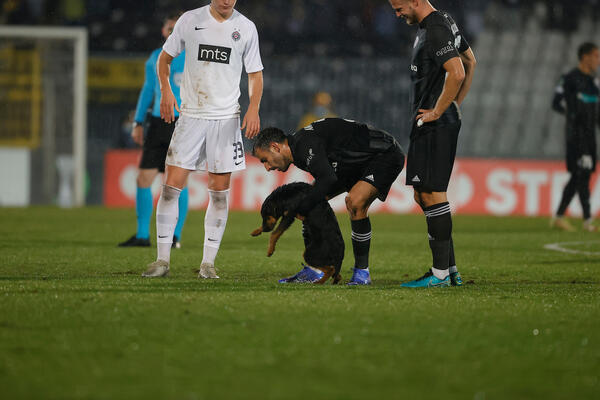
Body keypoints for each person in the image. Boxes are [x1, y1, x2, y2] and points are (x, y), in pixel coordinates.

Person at [142, 0, 264, 278]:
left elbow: (255, 74)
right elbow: (164, 58)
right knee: (170, 188)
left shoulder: (246, 27)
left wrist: (254, 107)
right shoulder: (190, 20)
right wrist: (165, 91)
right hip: (191, 116)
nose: (226, 1)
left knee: (219, 194)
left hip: (226, 120)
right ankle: (162, 261)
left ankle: (208, 264)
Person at [252, 118, 405, 285]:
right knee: (311, 202)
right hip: (352, 164)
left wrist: (303, 206)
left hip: (382, 154)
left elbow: (327, 178)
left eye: (265, 160)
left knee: (355, 202)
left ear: (275, 147)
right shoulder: (299, 149)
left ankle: (362, 273)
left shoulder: (304, 145)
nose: (267, 167)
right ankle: (315, 268)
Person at [389, 0, 476, 288]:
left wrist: (440, 110)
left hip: (433, 122)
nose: (397, 15)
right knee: (423, 194)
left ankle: (439, 275)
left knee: (433, 194)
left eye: (399, 8)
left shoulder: (436, 27)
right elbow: (470, 60)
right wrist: (454, 105)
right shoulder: (442, 21)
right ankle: (450, 270)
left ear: (415, 1)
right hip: (431, 121)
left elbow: (458, 71)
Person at [118, 13, 189, 248]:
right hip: (158, 123)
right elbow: (148, 90)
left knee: (177, 181)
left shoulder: (194, 57)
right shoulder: (155, 58)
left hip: (184, 123)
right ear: (163, 31)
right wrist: (138, 122)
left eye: (177, 29)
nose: (173, 33)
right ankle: (142, 236)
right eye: (170, 28)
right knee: (143, 178)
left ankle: (175, 237)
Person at [551, 42, 600, 232]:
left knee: (578, 176)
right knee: (582, 174)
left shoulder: (593, 82)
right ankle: (588, 220)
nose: (598, 60)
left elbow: (596, 113)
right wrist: (571, 115)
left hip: (590, 136)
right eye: (596, 56)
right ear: (585, 57)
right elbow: (556, 103)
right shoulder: (569, 79)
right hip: (576, 135)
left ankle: (559, 216)